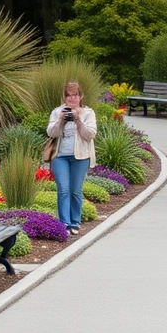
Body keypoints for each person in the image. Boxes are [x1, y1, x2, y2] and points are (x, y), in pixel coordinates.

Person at [46, 81, 97, 236]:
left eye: (75, 95)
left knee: (75, 190)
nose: (72, 98)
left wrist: (77, 119)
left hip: (80, 156)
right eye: (68, 95)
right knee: (63, 189)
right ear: (64, 97)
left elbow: (90, 134)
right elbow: (51, 133)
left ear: (80, 96)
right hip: (60, 156)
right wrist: (61, 120)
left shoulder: (88, 113)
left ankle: (75, 222)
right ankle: (64, 224)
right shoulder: (57, 112)